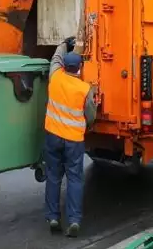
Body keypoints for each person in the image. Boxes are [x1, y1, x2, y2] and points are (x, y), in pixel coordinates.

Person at [44, 36, 97, 237]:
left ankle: (53, 217)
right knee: (75, 179)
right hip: (73, 140)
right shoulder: (84, 89)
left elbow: (55, 59)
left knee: (53, 177)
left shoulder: (55, 77)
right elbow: (91, 116)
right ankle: (74, 220)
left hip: (53, 136)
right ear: (80, 68)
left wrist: (64, 44)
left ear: (65, 66)